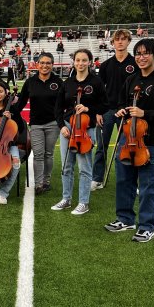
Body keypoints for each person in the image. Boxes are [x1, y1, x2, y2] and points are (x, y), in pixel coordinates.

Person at [105, 38, 154, 242]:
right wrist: (121, 110)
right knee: (124, 182)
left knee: (148, 186)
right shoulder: (131, 79)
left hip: (151, 143)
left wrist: (145, 113)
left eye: (146, 53)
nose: (141, 57)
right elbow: (121, 102)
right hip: (127, 140)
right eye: (138, 53)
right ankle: (125, 218)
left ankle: (147, 226)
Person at [52, 49, 108, 215]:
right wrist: (61, 125)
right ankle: (66, 199)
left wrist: (88, 108)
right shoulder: (67, 82)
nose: (81, 63)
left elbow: (105, 105)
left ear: (90, 62)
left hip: (86, 128)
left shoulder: (96, 82)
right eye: (78, 60)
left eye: (84, 60)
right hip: (68, 127)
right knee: (66, 166)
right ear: (74, 62)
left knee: (84, 167)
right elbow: (57, 108)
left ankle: (84, 202)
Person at [11, 52, 63, 194]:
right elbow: (21, 103)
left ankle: (46, 181)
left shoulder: (58, 82)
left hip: (53, 123)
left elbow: (65, 103)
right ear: (37, 64)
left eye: (48, 63)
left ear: (52, 65)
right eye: (42, 63)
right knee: (38, 154)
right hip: (35, 124)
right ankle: (39, 184)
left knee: (48, 153)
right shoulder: (30, 82)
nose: (45, 66)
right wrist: (10, 111)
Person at [91, 30, 137, 191]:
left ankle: (129, 181)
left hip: (128, 111)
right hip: (107, 111)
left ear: (129, 42)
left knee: (129, 147)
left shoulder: (135, 63)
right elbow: (98, 90)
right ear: (112, 43)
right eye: (117, 40)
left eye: (124, 39)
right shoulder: (106, 65)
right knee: (101, 146)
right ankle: (97, 178)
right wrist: (97, 111)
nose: (120, 42)